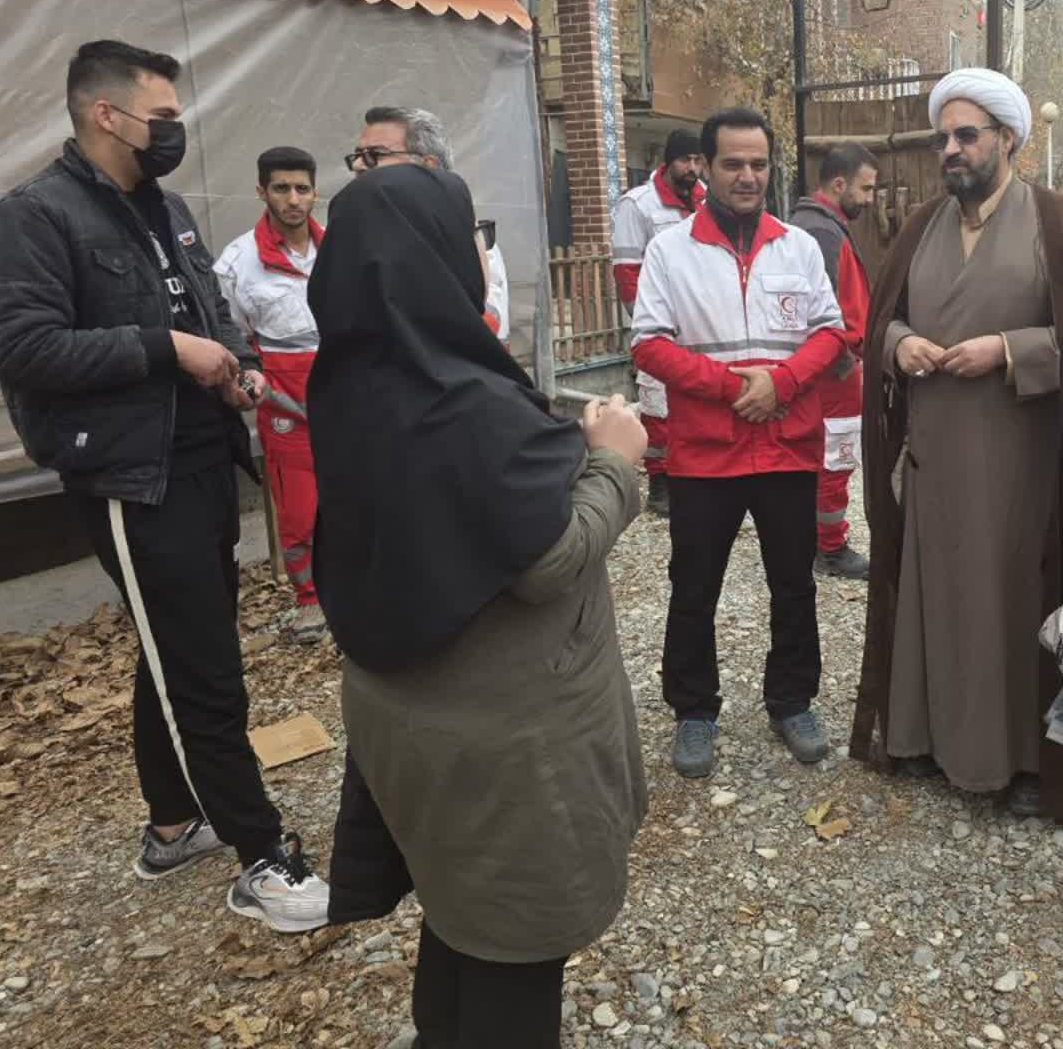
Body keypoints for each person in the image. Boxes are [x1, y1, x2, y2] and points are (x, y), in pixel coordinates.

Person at [0, 40, 329, 930]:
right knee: (204, 670)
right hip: (133, 477)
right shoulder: (33, 218)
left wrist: (238, 366)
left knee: (176, 646)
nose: (175, 130)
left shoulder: (165, 209)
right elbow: (26, 349)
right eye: (162, 116)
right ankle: (261, 858)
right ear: (107, 114)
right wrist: (166, 349)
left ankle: (172, 825)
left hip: (204, 459)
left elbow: (209, 311)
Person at [310, 164, 649, 1048]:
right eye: (471, 235)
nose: (481, 252)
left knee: (460, 909)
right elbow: (548, 559)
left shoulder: (353, 377)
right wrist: (614, 460)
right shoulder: (463, 402)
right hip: (501, 740)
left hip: (406, 714)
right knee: (516, 943)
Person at [849, 68, 1063, 824]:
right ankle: (924, 738)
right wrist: (899, 344)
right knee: (935, 598)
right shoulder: (920, 226)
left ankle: (1027, 761)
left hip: (1023, 469)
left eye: (967, 136)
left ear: (1008, 139)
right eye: (944, 138)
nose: (951, 150)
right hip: (935, 462)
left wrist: (1008, 350)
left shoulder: (1062, 224)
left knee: (1014, 606)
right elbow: (882, 321)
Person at [630, 107, 846, 779]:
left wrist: (782, 383)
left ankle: (792, 701)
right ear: (706, 167)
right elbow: (648, 344)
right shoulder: (671, 250)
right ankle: (695, 710)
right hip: (706, 450)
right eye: (733, 164)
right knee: (694, 586)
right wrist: (733, 389)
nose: (748, 176)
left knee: (794, 583)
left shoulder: (798, 247)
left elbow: (831, 333)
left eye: (758, 163)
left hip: (786, 446)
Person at [215, 146, 327, 643]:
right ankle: (310, 600)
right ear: (262, 191)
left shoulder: (339, 248)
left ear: (315, 192)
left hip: (345, 397)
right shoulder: (237, 263)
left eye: (302, 188)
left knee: (362, 494)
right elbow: (232, 338)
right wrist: (251, 383)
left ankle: (362, 586)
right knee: (299, 509)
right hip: (285, 407)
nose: (293, 199)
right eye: (281, 188)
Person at [788, 142, 878, 580]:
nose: (871, 199)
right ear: (839, 184)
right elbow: (818, 312)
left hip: (828, 367)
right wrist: (843, 361)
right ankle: (831, 547)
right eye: (866, 188)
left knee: (818, 456)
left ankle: (812, 541)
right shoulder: (822, 233)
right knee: (836, 458)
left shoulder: (813, 225)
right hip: (833, 371)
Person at [346, 105, 511, 340]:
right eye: (357, 155)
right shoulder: (351, 237)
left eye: (375, 155)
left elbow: (483, 329)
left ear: (428, 166)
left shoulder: (474, 244)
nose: (358, 166)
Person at [612, 129, 707, 515]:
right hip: (660, 322)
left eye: (698, 161)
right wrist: (649, 326)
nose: (692, 169)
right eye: (685, 160)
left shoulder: (707, 198)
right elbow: (627, 272)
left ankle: (695, 474)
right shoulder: (638, 206)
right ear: (668, 162)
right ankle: (660, 482)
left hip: (701, 320)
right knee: (657, 403)